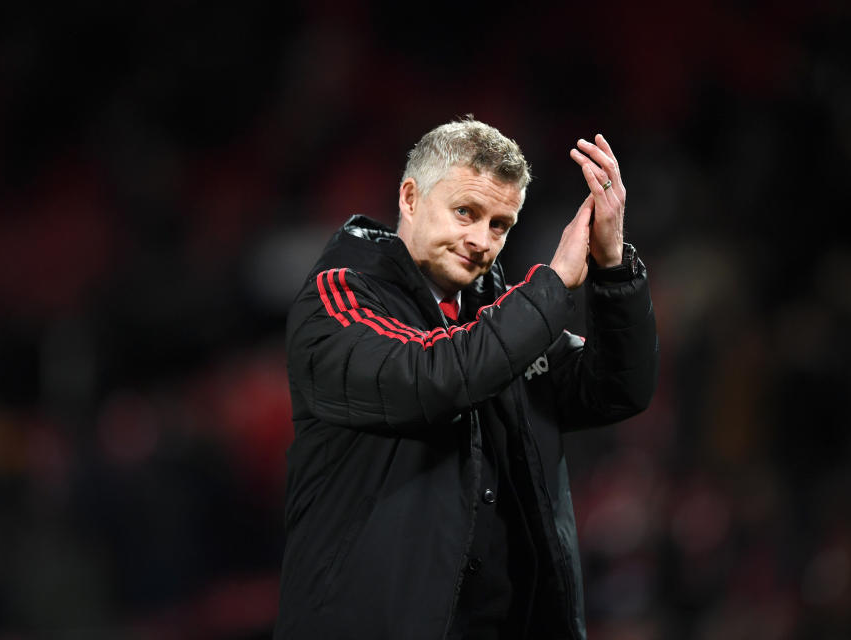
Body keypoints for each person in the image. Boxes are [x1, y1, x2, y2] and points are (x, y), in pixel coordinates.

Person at [274, 117, 659, 639]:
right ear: (410, 198)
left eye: (499, 224)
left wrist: (612, 269)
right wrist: (553, 285)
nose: (480, 240)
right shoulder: (339, 299)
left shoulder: (505, 321)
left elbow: (616, 388)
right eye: (465, 212)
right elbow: (435, 375)